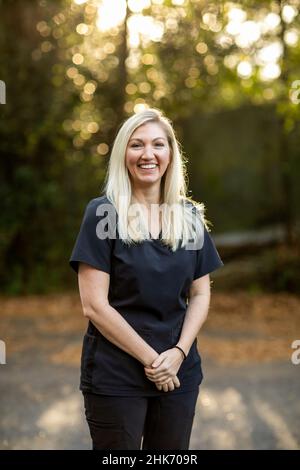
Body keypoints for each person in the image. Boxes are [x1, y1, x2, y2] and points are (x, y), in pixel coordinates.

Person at [69, 107, 224, 450]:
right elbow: (94, 305)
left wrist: (179, 354)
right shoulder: (102, 214)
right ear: (124, 154)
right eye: (137, 145)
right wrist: (153, 361)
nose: (148, 154)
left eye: (158, 144)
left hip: (178, 371)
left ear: (170, 153)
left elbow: (200, 294)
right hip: (116, 374)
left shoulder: (189, 216)